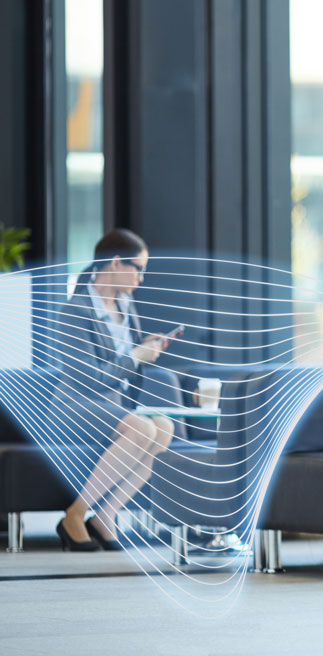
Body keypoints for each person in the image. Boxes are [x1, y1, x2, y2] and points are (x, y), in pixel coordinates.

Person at [54, 229, 177, 551]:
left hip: (112, 406)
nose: (141, 278)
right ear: (116, 263)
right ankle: (75, 514)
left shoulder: (126, 304)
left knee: (163, 426)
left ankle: (106, 514)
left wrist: (144, 348)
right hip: (76, 405)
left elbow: (125, 363)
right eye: (138, 268)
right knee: (140, 428)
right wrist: (136, 355)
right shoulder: (75, 312)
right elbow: (90, 381)